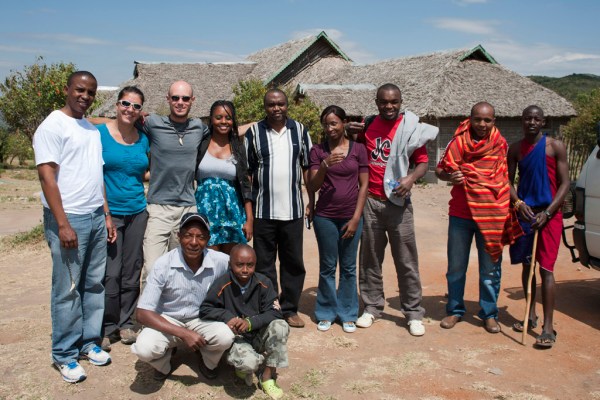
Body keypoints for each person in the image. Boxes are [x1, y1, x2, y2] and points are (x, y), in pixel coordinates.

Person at [33, 71, 116, 383]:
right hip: (69, 219)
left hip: (95, 215)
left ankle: (88, 342)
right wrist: (63, 223)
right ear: (66, 89)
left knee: (94, 284)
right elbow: (47, 177)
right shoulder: (52, 126)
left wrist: (106, 214)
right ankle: (65, 354)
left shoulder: (89, 129)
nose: (85, 96)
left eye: (90, 92)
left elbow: (96, 176)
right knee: (68, 288)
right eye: (80, 90)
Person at [346, 83, 437, 336]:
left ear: (400, 101)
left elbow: (422, 162)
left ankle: (414, 312)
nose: (389, 106)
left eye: (394, 102)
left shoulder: (409, 129)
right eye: (384, 102)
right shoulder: (367, 125)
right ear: (377, 102)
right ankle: (372, 307)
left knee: (406, 260)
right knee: (370, 259)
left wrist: (410, 179)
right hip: (371, 202)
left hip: (399, 204)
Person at [436, 102, 522, 334]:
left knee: (490, 268)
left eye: (487, 120)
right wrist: (450, 177)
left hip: (491, 214)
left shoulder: (499, 144)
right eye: (478, 119)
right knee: (456, 267)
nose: (482, 124)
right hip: (461, 214)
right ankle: (454, 310)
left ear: (494, 121)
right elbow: (440, 170)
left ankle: (489, 313)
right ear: (470, 119)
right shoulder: (458, 142)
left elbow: (502, 179)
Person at [131, 213, 234, 380]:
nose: (194, 242)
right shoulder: (163, 264)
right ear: (179, 237)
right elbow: (142, 313)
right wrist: (183, 333)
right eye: (188, 235)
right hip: (169, 319)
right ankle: (164, 361)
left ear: (208, 239)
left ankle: (208, 360)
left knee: (225, 336)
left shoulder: (221, 261)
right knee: (144, 348)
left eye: (200, 237)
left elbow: (245, 270)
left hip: (203, 319)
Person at [244, 89, 313, 328]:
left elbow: (307, 168)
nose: (277, 108)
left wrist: (311, 201)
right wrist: (249, 212)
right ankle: (269, 307)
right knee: (264, 264)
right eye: (271, 104)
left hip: (293, 210)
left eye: (281, 104)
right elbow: (248, 174)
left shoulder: (301, 131)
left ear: (287, 105)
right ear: (265, 107)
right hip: (264, 211)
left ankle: (290, 308)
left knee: (293, 262)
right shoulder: (254, 133)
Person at [508, 105, 569, 348]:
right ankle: (530, 315)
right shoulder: (515, 149)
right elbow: (507, 181)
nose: (531, 122)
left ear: (543, 122)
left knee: (546, 268)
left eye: (536, 119)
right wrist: (518, 202)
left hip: (549, 215)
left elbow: (565, 184)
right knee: (527, 265)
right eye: (527, 118)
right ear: (521, 121)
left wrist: (549, 211)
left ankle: (548, 326)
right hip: (526, 214)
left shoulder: (555, 147)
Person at [140, 81, 209, 286]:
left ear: (192, 100)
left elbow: (228, 129)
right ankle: (147, 315)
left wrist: (257, 124)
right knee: (152, 267)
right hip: (158, 207)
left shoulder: (199, 127)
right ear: (168, 99)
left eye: (185, 98)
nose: (180, 102)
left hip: (188, 207)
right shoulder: (153, 123)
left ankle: (175, 314)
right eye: (176, 98)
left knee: (184, 267)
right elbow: (120, 119)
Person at [98, 86, 150, 351]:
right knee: (111, 273)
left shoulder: (143, 139)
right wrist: (106, 214)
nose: (130, 109)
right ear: (116, 105)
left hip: (138, 212)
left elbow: (143, 171)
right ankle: (107, 327)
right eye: (125, 103)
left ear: (141, 111)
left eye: (136, 106)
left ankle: (127, 323)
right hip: (112, 213)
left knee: (133, 270)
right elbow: (96, 177)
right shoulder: (101, 135)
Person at [308, 105, 368, 333]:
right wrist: (324, 165)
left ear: (343, 123)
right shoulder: (317, 151)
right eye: (326, 124)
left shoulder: (358, 149)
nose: (330, 128)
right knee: (327, 266)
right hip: (325, 217)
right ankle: (325, 311)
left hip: (350, 216)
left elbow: (364, 186)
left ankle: (348, 313)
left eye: (334, 123)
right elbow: (312, 186)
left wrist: (355, 218)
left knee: (349, 267)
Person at [200, 244, 289, 399]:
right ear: (230, 264)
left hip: (258, 334)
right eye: (239, 265)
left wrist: (250, 322)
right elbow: (205, 309)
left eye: (250, 265)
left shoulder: (264, 282)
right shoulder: (222, 283)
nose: (245, 270)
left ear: (256, 264)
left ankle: (267, 376)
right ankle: (243, 364)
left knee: (281, 326)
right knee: (248, 364)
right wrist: (227, 317)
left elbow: (275, 313)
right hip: (237, 338)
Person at [195, 100, 253, 254]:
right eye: (218, 117)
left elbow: (245, 184)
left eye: (228, 118)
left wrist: (249, 219)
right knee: (208, 262)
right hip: (204, 212)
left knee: (230, 263)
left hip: (232, 213)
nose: (223, 122)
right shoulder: (200, 144)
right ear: (211, 119)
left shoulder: (238, 147)